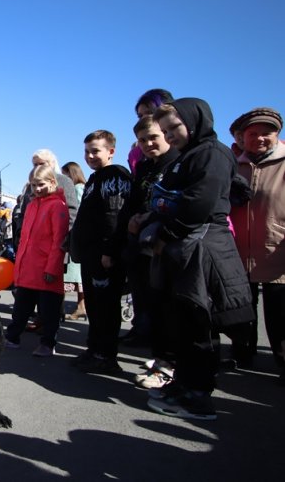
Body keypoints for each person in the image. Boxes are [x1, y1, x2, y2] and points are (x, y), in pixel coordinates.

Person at [145, 98, 254, 420]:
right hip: (184, 248)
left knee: (198, 324)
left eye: (174, 128)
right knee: (183, 324)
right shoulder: (189, 155)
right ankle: (184, 383)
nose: (170, 135)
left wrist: (164, 235)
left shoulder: (212, 152)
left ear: (195, 121)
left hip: (201, 247)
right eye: (165, 130)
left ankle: (198, 396)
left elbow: (200, 203)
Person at [120, 115, 179, 388]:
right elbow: (133, 201)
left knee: (168, 309)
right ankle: (160, 360)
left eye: (153, 137)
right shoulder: (144, 167)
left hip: (166, 244)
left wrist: (148, 218)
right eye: (142, 140)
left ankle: (170, 365)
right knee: (149, 304)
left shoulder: (178, 163)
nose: (147, 144)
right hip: (140, 245)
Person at [229, 108, 285, 384]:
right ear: (243, 137)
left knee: (279, 312)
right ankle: (242, 351)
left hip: (276, 248)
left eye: (267, 133)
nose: (260, 138)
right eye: (254, 133)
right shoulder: (234, 164)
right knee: (242, 304)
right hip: (238, 248)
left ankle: (282, 360)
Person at [69, 130, 131, 374]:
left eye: (96, 151)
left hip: (106, 254)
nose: (90, 156)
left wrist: (109, 250)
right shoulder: (94, 179)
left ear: (111, 151)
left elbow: (116, 216)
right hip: (90, 254)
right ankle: (94, 350)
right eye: (87, 151)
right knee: (94, 305)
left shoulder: (116, 175)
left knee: (106, 307)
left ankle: (106, 356)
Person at [5, 165, 69, 357]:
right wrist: (19, 267)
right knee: (20, 308)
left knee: (48, 311)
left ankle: (48, 344)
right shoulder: (32, 205)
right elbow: (25, 238)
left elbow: (59, 241)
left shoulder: (58, 206)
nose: (37, 189)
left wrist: (52, 268)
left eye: (40, 184)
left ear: (52, 182)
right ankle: (12, 337)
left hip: (46, 269)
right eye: (33, 185)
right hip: (28, 268)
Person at [61, 161, 87, 320]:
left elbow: (75, 212)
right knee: (76, 276)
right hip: (78, 236)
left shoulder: (77, 189)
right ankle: (80, 306)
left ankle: (73, 307)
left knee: (70, 275)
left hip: (73, 236)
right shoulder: (83, 188)